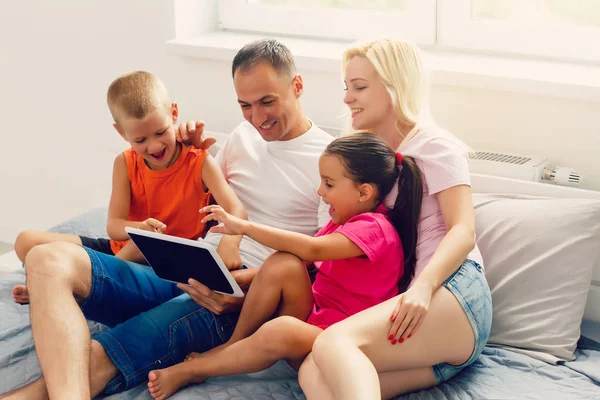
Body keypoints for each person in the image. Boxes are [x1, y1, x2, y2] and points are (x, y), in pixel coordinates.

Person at [2, 39, 332, 400]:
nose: (257, 117)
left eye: (267, 101)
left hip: (226, 295)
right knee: (44, 258)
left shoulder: (328, 161)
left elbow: (322, 263)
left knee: (97, 355)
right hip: (182, 266)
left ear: (297, 86)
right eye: (244, 105)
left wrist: (247, 289)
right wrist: (181, 142)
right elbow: (199, 187)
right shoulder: (242, 137)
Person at [145, 132, 423, 400]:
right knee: (282, 262)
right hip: (316, 319)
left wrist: (244, 226)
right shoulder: (343, 222)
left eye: (328, 184)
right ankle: (232, 346)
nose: (320, 192)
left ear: (364, 192)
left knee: (282, 329)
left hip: (340, 339)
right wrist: (242, 278)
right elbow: (303, 260)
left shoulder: (375, 228)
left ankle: (192, 371)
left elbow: (311, 248)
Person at [298, 39, 493, 400]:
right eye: (346, 87)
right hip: (425, 330)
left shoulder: (436, 146)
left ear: (394, 87)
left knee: (331, 343)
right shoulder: (364, 158)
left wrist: (423, 287)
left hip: (452, 290)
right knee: (314, 369)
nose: (346, 98)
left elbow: (463, 231)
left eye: (359, 87)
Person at [11, 70, 239, 304]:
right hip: (120, 251)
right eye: (140, 140)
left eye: (160, 132)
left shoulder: (199, 161)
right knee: (26, 241)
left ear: (173, 113)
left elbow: (236, 209)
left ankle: (74, 285)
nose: (154, 146)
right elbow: (114, 226)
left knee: (143, 245)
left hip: (166, 260)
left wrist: (231, 245)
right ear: (121, 132)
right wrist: (140, 228)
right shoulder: (124, 163)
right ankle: (70, 282)